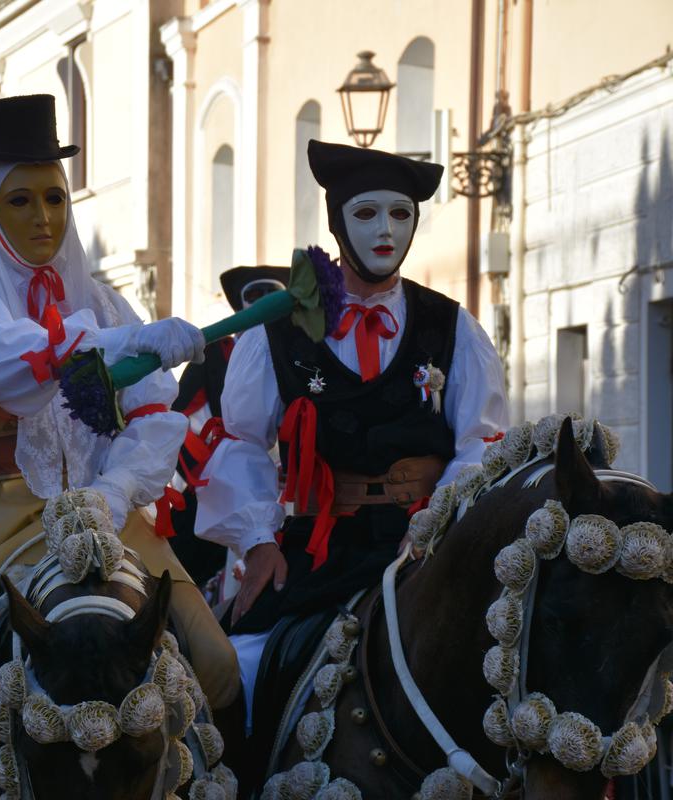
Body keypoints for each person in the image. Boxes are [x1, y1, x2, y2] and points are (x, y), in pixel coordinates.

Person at [0, 94, 240, 727]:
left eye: (55, 197)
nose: (43, 217)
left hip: (107, 515)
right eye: (20, 200)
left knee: (218, 663)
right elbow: (8, 367)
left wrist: (116, 492)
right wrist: (129, 343)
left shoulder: (102, 300)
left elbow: (153, 416)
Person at [195, 140, 508, 728]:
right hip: (318, 549)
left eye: (401, 214)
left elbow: (483, 444)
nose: (385, 230)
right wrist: (258, 542)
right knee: (240, 669)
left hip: (426, 548)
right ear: (337, 221)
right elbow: (239, 443)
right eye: (366, 213)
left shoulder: (453, 326)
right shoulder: (277, 332)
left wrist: (437, 522)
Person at [167, 266, 287, 588]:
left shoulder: (298, 348)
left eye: (270, 294)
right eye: (254, 295)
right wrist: (203, 474)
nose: (262, 302)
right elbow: (177, 418)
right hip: (225, 478)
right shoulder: (212, 354)